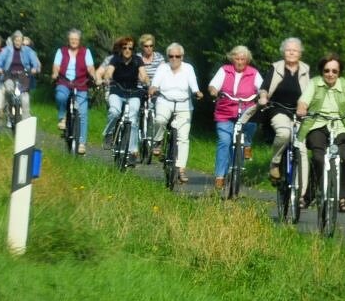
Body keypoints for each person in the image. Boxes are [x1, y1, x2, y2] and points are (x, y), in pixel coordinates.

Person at [297, 53, 345, 212]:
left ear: (339, 73)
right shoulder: (314, 83)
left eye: (334, 71)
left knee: (344, 156)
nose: (330, 74)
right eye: (326, 70)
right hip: (318, 124)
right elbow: (304, 100)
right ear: (322, 71)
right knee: (317, 158)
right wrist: (302, 108)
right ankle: (309, 196)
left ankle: (343, 198)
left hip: (340, 125)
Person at [257, 37, 311, 188]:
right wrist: (263, 97)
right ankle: (275, 164)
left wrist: (308, 107)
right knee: (284, 133)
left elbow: (313, 91)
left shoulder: (306, 70)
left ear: (300, 53)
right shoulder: (276, 67)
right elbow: (264, 88)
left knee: (302, 147)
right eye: (288, 50)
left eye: (294, 50)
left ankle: (301, 193)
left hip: (300, 111)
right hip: (278, 108)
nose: (291, 52)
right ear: (283, 52)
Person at [208, 45, 263, 191]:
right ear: (232, 59)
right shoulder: (224, 70)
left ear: (247, 60)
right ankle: (220, 176)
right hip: (225, 112)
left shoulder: (253, 73)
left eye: (243, 59)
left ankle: (247, 145)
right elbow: (213, 85)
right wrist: (214, 91)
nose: (239, 62)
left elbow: (262, 88)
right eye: (237, 59)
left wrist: (262, 95)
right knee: (224, 142)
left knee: (251, 125)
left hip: (245, 111)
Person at [149, 43, 204, 183]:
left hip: (184, 104)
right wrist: (153, 88)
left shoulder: (188, 68)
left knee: (183, 138)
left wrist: (197, 92)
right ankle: (158, 141)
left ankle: (181, 169)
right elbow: (155, 83)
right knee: (160, 120)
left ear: (182, 57)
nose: (174, 59)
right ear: (168, 57)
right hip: (165, 101)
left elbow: (193, 84)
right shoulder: (163, 68)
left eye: (177, 56)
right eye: (171, 56)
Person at [98, 35, 150, 154]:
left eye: (130, 48)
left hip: (134, 93)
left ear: (133, 50)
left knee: (133, 118)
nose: (127, 50)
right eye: (124, 47)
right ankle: (108, 133)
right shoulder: (115, 59)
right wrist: (106, 78)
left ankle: (132, 151)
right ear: (121, 49)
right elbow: (109, 72)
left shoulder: (138, 60)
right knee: (114, 111)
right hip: (117, 90)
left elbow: (143, 75)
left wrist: (146, 81)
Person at [51, 29, 98, 155]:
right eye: (72, 39)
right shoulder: (61, 51)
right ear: (68, 40)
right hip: (64, 81)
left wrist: (93, 76)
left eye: (76, 39)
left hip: (81, 83)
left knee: (82, 113)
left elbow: (90, 67)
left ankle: (82, 142)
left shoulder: (85, 52)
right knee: (61, 96)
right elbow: (56, 65)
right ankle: (62, 118)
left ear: (79, 40)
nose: (74, 41)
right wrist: (55, 73)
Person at [0, 31, 41, 124]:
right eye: (16, 40)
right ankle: (9, 109)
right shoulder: (7, 50)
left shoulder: (28, 51)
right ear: (13, 41)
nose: (18, 42)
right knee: (8, 90)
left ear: (22, 41)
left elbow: (34, 61)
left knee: (24, 98)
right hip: (9, 74)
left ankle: (25, 120)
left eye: (20, 41)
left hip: (23, 75)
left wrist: (34, 68)